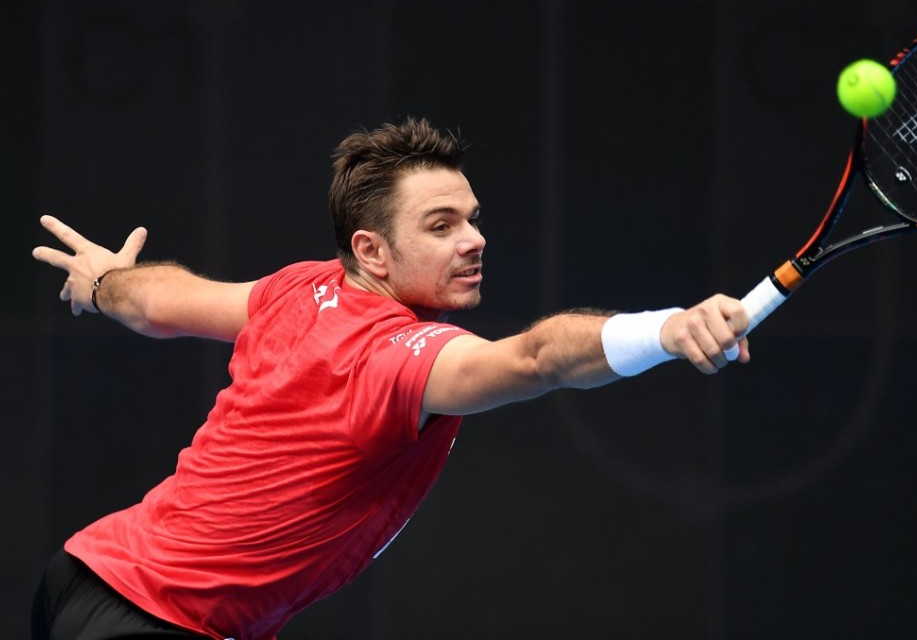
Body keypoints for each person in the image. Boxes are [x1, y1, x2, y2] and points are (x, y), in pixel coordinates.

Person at [30, 117, 750, 640]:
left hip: (82, 579)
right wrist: (664, 329)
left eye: (472, 219)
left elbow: (155, 303)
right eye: (442, 226)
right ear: (371, 250)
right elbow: (536, 359)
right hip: (157, 619)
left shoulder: (296, 289)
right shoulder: (396, 359)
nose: (475, 240)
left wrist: (103, 285)